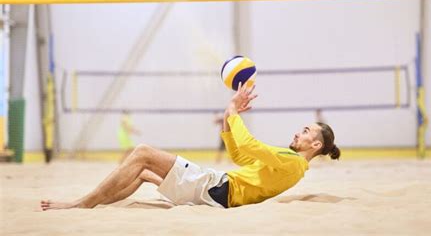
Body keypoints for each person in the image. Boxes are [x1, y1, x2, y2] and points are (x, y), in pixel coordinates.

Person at [40, 83, 340, 210]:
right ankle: (96, 203)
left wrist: (233, 110)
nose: (298, 133)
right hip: (215, 195)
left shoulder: (293, 162)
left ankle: (81, 203)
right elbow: (238, 155)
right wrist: (227, 117)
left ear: (315, 144)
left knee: (142, 151)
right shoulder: (292, 164)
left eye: (305, 131)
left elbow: (248, 145)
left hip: (214, 189)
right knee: (142, 171)